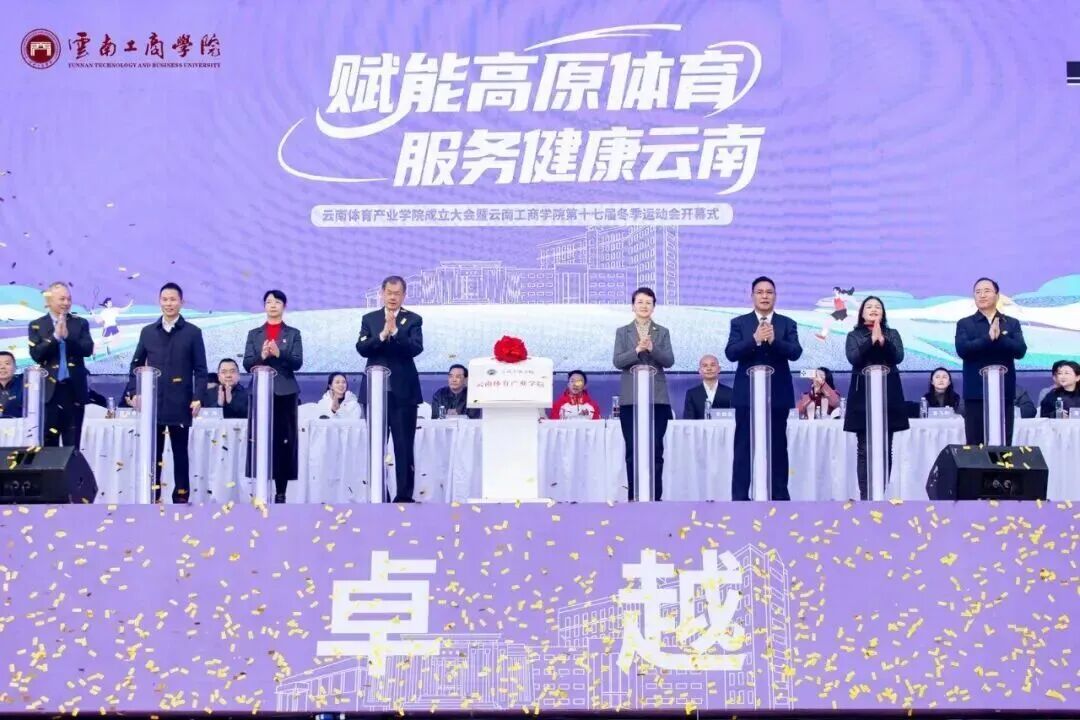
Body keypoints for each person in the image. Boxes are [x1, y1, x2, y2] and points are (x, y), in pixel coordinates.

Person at [123, 283, 207, 504]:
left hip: (181, 403)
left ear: (181, 302)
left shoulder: (192, 333)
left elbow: (201, 370)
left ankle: (181, 497)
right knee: (154, 453)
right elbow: (135, 365)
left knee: (180, 453)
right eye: (165, 299)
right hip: (154, 404)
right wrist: (134, 391)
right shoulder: (148, 332)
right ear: (159, 301)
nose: (169, 303)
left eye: (173, 299)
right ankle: (154, 495)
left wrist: (198, 397)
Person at [725, 276, 803, 501]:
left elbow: (795, 352)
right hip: (747, 396)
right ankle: (740, 498)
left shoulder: (787, 323)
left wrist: (775, 341)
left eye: (769, 292)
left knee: (778, 448)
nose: (765, 296)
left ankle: (780, 497)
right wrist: (755, 339)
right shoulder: (740, 323)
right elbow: (731, 353)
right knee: (743, 448)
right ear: (752, 296)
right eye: (760, 292)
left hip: (777, 396)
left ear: (775, 296)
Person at [357, 276, 423, 503]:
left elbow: (415, 348)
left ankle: (403, 496)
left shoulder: (413, 319)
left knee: (403, 446)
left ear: (404, 295)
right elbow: (362, 348)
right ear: (382, 293)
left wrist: (395, 332)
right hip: (375, 393)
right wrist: (382, 335)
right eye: (389, 293)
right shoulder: (370, 319)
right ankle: (378, 494)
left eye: (397, 294)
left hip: (403, 393)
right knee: (376, 446)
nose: (393, 297)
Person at [843, 296, 909, 500]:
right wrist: (871, 341)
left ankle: (880, 494)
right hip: (862, 396)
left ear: (883, 312)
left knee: (885, 447)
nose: (873, 309)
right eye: (869, 307)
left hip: (888, 395)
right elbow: (853, 358)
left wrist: (883, 341)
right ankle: (866, 496)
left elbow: (898, 357)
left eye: (877, 307)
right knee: (864, 448)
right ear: (862, 312)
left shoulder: (892, 333)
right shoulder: (854, 335)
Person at [613, 287, 675, 501]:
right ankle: (634, 497)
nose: (644, 306)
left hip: (657, 399)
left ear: (654, 307)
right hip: (631, 399)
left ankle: (655, 497)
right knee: (633, 449)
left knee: (655, 449)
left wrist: (652, 348)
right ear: (633, 306)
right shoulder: (623, 332)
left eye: (648, 302)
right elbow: (617, 361)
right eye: (640, 302)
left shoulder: (662, 332)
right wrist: (637, 350)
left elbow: (669, 361)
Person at [243, 290, 303, 504]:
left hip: (284, 392)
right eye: (269, 302)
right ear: (264, 306)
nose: (273, 305)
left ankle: (281, 492)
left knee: (284, 442)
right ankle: (260, 487)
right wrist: (262, 355)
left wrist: (279, 353)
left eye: (277, 302)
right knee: (259, 439)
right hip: (260, 392)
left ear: (284, 306)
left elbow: (297, 362)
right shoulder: (254, 334)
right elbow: (247, 364)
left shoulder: (293, 333)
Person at [955, 277, 1026, 444]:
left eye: (987, 291)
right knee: (975, 444)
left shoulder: (1011, 323)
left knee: (1003, 444)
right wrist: (988, 338)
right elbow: (963, 350)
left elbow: (1020, 350)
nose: (982, 295)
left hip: (1003, 393)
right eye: (978, 292)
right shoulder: (965, 323)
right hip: (976, 393)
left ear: (997, 295)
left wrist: (1000, 337)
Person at [27, 282, 94, 448]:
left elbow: (87, 349)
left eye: (69, 299)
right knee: (49, 445)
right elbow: (36, 355)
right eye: (62, 299)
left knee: (73, 444)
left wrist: (68, 337)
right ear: (49, 301)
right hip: (49, 393)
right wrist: (55, 337)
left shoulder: (80, 323)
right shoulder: (37, 325)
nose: (66, 303)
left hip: (73, 391)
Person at [682, 355, 733, 420]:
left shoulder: (730, 392)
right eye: (705, 366)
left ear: (719, 369)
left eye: (713, 365)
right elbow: (688, 420)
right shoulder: (691, 394)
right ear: (699, 371)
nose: (709, 368)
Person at [0, 351, 23, 418]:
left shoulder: (25, 382)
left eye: (7, 363)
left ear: (15, 367)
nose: (2, 367)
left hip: (21, 423)